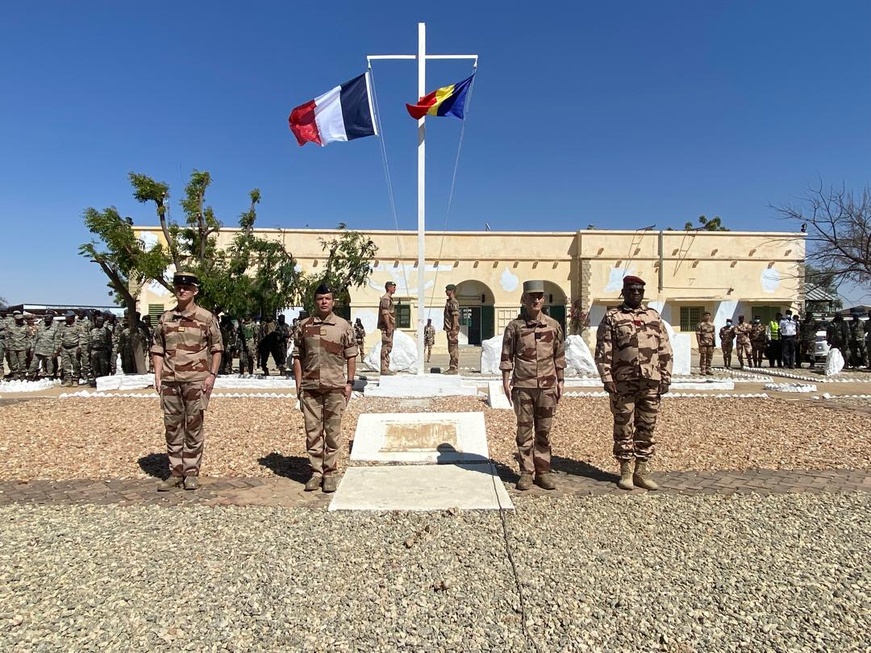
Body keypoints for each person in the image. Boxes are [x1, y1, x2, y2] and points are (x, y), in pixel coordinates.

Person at [595, 275, 672, 491]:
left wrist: (666, 376)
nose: (636, 293)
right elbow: (603, 350)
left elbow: (665, 348)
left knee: (647, 426)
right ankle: (626, 470)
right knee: (624, 426)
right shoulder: (613, 317)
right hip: (623, 382)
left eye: (639, 290)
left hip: (651, 381)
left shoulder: (654, 316)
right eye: (631, 290)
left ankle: (642, 471)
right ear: (624, 291)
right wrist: (607, 378)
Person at [151, 272, 223, 492]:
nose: (182, 291)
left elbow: (216, 348)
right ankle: (175, 472)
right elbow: (157, 348)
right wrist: (157, 375)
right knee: (172, 427)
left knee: (193, 425)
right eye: (179, 287)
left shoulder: (206, 318)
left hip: (196, 381)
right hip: (171, 381)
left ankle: (191, 471)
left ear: (195, 291)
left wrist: (211, 375)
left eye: (187, 288)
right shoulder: (166, 318)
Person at [500, 280, 565, 491]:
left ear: (543, 299)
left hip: (547, 386)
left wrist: (561, 380)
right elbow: (507, 355)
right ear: (524, 299)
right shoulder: (515, 327)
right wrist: (505, 381)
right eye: (531, 296)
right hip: (523, 385)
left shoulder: (554, 326)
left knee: (544, 432)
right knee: (524, 430)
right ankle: (526, 473)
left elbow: (559, 355)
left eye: (539, 296)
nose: (536, 300)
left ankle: (543, 472)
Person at [292, 283, 357, 493]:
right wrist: (298, 386)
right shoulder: (304, 326)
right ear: (315, 301)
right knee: (312, 431)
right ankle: (316, 472)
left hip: (335, 386)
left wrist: (349, 383)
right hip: (310, 387)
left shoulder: (343, 326)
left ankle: (330, 472)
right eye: (320, 299)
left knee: (332, 431)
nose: (324, 302)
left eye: (327, 298)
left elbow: (351, 356)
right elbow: (297, 357)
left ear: (333, 301)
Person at [56, 310, 84, 386]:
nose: (66, 318)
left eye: (67, 317)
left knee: (76, 364)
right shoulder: (62, 326)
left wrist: (80, 347)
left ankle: (75, 380)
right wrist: (59, 347)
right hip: (65, 348)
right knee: (65, 365)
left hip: (74, 348)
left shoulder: (78, 327)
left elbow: (82, 338)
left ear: (72, 318)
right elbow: (59, 337)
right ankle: (68, 380)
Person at [28, 311, 59, 380]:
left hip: (49, 349)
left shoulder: (55, 328)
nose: (47, 322)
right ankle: (30, 375)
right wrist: (32, 348)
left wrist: (56, 351)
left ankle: (50, 376)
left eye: (48, 321)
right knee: (34, 363)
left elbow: (57, 340)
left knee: (50, 364)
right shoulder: (41, 326)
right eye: (46, 321)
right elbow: (36, 337)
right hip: (38, 349)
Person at [5, 311, 31, 381]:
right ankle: (15, 375)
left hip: (22, 347)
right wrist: (7, 345)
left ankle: (22, 375)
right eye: (19, 320)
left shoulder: (26, 327)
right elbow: (7, 336)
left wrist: (28, 346)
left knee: (22, 362)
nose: (20, 321)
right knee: (13, 362)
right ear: (16, 320)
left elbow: (29, 337)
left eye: (21, 319)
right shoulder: (10, 326)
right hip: (12, 347)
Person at [88, 314, 113, 385]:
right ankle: (97, 381)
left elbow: (109, 342)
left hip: (103, 351)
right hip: (94, 351)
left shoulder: (106, 331)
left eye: (100, 321)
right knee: (95, 367)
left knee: (104, 367)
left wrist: (109, 350)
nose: (99, 323)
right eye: (98, 321)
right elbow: (90, 340)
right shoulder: (93, 330)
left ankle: (104, 382)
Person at [378, 281, 397, 375]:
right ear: (388, 287)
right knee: (386, 347)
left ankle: (386, 367)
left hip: (389, 326)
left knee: (388, 347)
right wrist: (389, 327)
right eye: (393, 287)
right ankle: (384, 369)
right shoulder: (386, 299)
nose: (395, 289)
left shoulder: (389, 298)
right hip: (386, 327)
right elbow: (385, 313)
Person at [443, 284, 460, 374]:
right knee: (451, 349)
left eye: (447, 290)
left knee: (453, 349)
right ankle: (452, 366)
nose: (446, 292)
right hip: (449, 329)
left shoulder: (453, 302)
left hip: (452, 329)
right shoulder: (449, 301)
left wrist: (453, 329)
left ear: (451, 291)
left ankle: (454, 367)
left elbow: (455, 316)